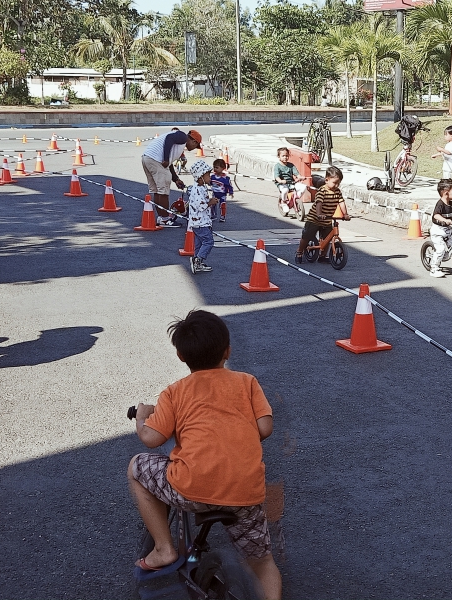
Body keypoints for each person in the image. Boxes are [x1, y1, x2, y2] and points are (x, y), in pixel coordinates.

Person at [127, 310, 282, 600]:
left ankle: (163, 548)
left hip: (191, 487)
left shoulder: (174, 393)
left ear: (181, 356)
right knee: (263, 562)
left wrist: (142, 418)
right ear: (228, 351)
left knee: (136, 467)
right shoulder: (247, 382)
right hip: (245, 492)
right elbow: (265, 428)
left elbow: (152, 439)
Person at [141, 128, 202, 227]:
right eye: (196, 146)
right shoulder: (183, 137)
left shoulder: (178, 146)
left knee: (157, 190)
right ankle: (165, 219)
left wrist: (176, 179)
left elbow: (169, 164)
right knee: (163, 190)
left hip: (147, 158)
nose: (194, 148)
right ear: (194, 141)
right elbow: (169, 139)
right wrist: (165, 159)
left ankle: (162, 216)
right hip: (156, 159)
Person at [294, 165, 349, 263]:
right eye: (335, 183)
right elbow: (319, 203)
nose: (336, 185)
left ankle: (323, 255)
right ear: (326, 180)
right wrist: (319, 214)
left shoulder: (337, 191)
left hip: (327, 219)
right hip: (314, 218)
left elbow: (341, 202)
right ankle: (299, 251)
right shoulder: (322, 190)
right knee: (306, 235)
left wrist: (345, 214)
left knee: (327, 238)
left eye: (338, 183)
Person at [186, 159, 217, 274]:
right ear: (200, 177)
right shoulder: (197, 189)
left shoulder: (201, 187)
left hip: (199, 222)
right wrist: (211, 202)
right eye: (208, 175)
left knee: (199, 243)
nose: (210, 177)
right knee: (208, 241)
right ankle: (198, 260)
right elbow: (201, 205)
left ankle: (196, 260)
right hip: (200, 223)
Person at [211, 158, 234, 223]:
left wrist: (231, 192)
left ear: (223, 168)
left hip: (222, 194)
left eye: (217, 167)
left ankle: (222, 216)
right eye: (214, 167)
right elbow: (209, 182)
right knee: (212, 204)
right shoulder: (212, 177)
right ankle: (213, 215)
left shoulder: (225, 178)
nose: (215, 169)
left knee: (222, 205)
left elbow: (229, 186)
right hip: (215, 193)